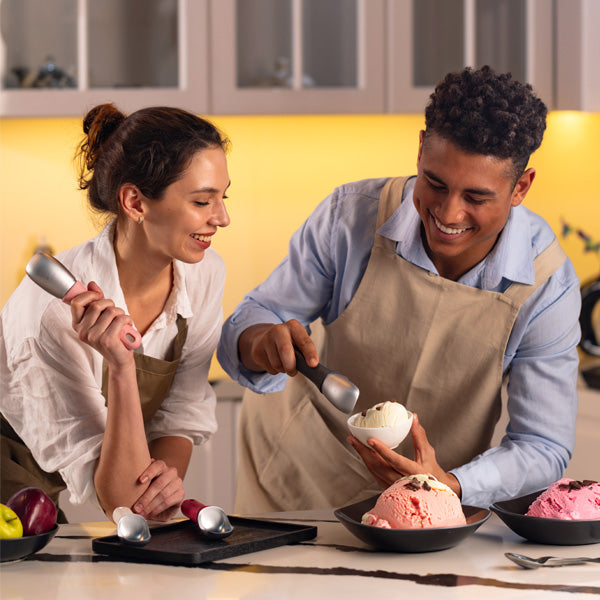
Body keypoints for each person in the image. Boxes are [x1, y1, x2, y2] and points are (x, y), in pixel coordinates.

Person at [217, 66, 581, 513]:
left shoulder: (548, 285)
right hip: (299, 474)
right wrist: (261, 341)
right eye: (436, 183)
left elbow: (541, 444)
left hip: (428, 501)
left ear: (520, 187)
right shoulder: (349, 217)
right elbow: (254, 318)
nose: (449, 213)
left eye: (477, 198)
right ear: (421, 148)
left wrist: (451, 484)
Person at [0, 104, 231, 522]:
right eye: (202, 201)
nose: (223, 218)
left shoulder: (203, 274)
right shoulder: (50, 314)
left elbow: (180, 410)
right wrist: (121, 369)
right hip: (9, 483)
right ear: (134, 202)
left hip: (77, 488)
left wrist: (162, 483)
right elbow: (120, 501)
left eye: (223, 197)